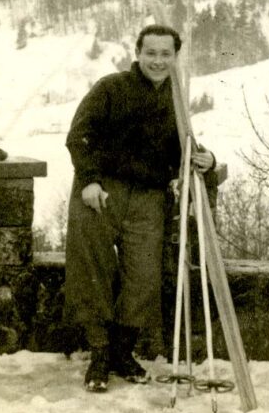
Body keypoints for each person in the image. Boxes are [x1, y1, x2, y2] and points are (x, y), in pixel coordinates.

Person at [64, 24, 215, 392]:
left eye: (166, 54)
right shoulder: (111, 88)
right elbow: (79, 136)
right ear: (138, 53)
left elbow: (186, 147)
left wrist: (208, 160)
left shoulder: (176, 100)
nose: (158, 61)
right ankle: (99, 354)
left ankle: (121, 352)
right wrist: (90, 181)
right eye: (151, 53)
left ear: (175, 57)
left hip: (148, 196)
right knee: (92, 268)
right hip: (101, 192)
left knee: (143, 278)